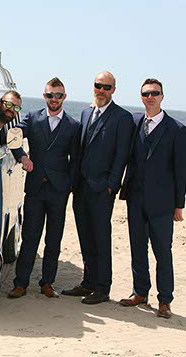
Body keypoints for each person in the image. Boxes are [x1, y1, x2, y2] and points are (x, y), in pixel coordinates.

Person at [118, 78, 186, 318]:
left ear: (162, 96)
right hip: (135, 198)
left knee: (162, 251)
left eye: (155, 93)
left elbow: (181, 170)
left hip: (162, 203)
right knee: (137, 248)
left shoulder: (177, 129)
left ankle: (165, 301)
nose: (150, 97)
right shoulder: (135, 121)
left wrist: (179, 204)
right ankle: (140, 292)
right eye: (146, 93)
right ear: (141, 97)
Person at [62, 71, 134, 304]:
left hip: (103, 189)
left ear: (113, 90)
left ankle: (103, 288)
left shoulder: (122, 117)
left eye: (106, 87)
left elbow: (122, 154)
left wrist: (112, 185)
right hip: (81, 186)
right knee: (85, 235)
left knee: (101, 238)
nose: (101, 90)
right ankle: (88, 282)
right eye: (98, 86)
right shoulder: (86, 112)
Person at [8, 78, 80, 298]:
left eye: (58, 95)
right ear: (45, 96)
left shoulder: (73, 126)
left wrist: (70, 185)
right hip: (36, 188)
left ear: (64, 97)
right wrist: (22, 156)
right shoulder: (33, 118)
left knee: (54, 239)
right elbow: (12, 137)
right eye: (50, 95)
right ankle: (20, 283)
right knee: (30, 236)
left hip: (59, 190)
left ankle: (47, 283)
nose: (54, 99)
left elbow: (75, 160)